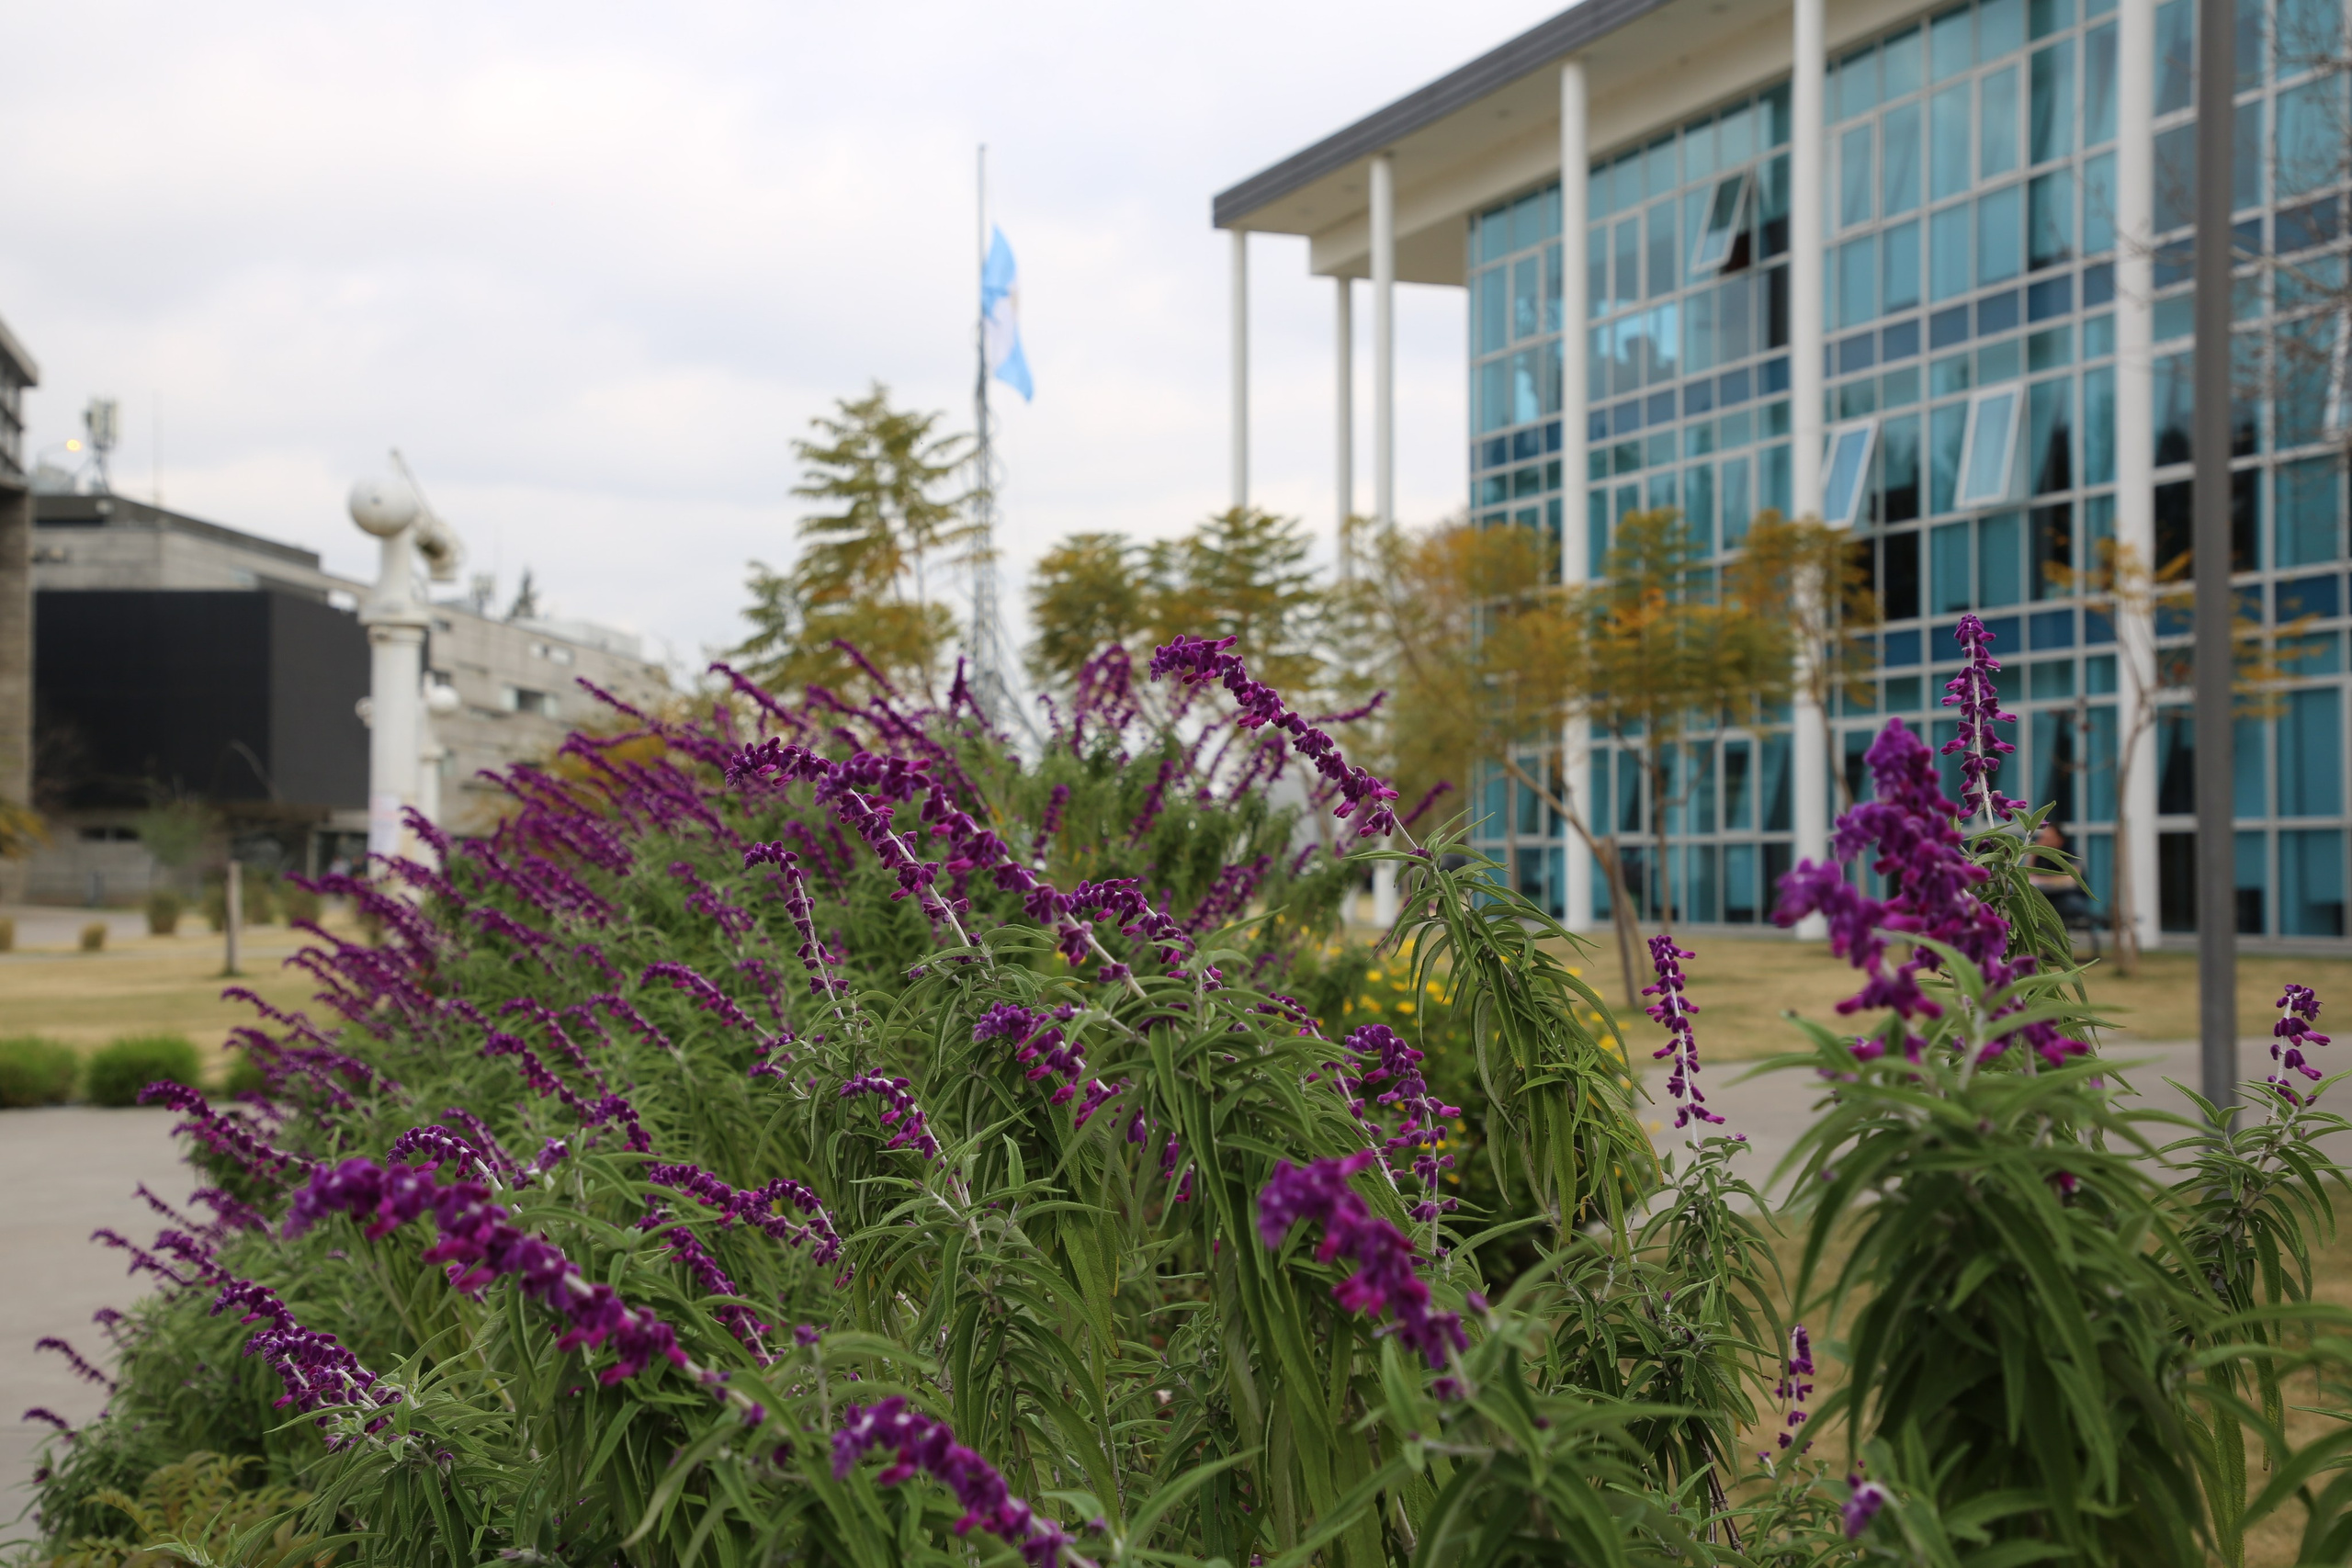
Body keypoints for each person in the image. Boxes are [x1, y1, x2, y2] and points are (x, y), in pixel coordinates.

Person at [2029, 821, 2096, 942]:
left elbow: (2070, 879)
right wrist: (2033, 853)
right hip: (2048, 897)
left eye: (2049, 838)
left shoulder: (2069, 853)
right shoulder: (2041, 856)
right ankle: (2044, 946)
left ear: (2059, 839)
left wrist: (2043, 881)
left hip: (2070, 898)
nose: (2045, 841)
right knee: (2036, 908)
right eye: (2043, 838)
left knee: (2047, 910)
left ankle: (2053, 947)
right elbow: (2028, 877)